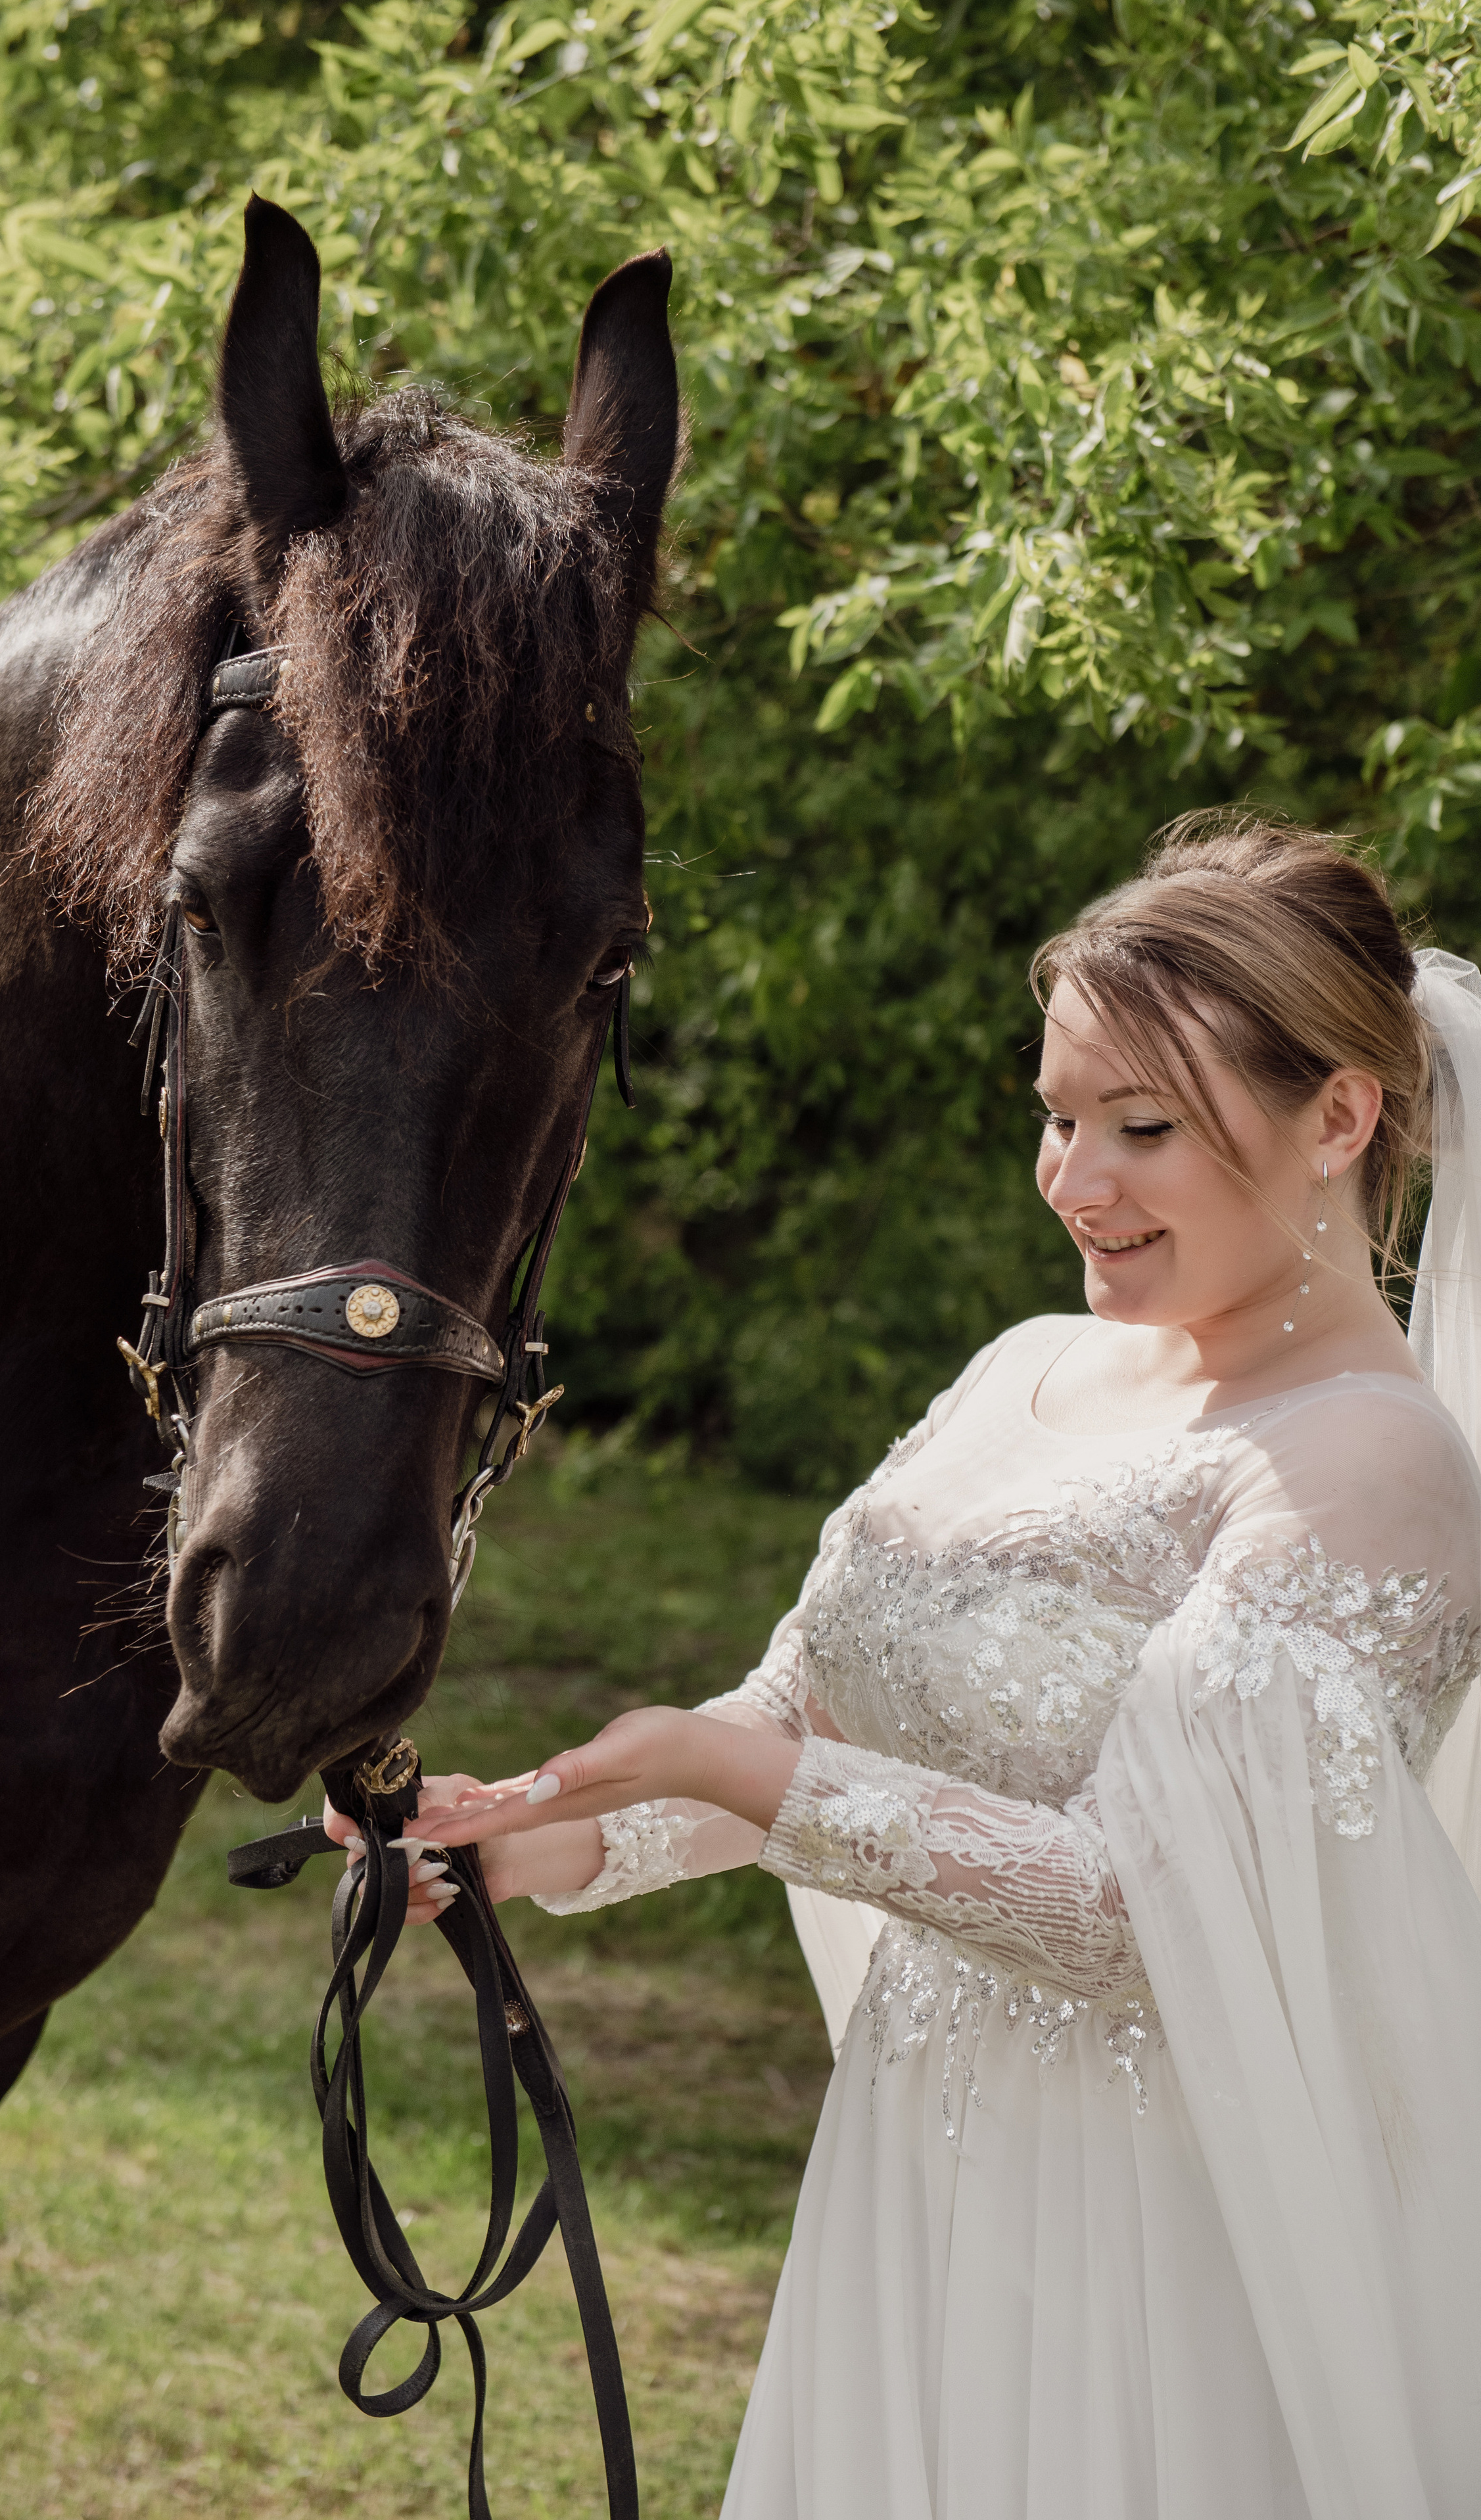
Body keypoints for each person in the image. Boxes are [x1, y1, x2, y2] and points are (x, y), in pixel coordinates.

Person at [330, 812, 1481, 2520]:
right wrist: (537, 1831)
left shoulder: (1371, 1463)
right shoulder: (1024, 1366)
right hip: (920, 2170)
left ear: (1338, 1117)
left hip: (1156, 2243)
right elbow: (803, 1712)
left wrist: (739, 1772)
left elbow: (1150, 1917)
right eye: (1060, 1117)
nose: (1074, 1182)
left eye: (1143, 1127)